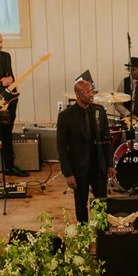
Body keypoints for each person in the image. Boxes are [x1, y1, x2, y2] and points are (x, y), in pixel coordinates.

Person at [57, 80, 116, 223]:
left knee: (101, 202)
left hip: (98, 165)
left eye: (92, 91)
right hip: (79, 167)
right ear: (77, 94)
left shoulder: (99, 111)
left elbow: (106, 140)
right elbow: (61, 146)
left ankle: (101, 233)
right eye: (87, 92)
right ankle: (84, 235)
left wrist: (109, 164)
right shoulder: (66, 116)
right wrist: (68, 173)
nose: (91, 95)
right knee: (81, 203)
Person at [0, 30, 29, 183]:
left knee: (7, 135)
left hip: (8, 102)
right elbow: (1, 81)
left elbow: (11, 77)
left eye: (0, 41)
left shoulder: (5, 56)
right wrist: (0, 83)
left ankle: (9, 166)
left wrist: (9, 81)